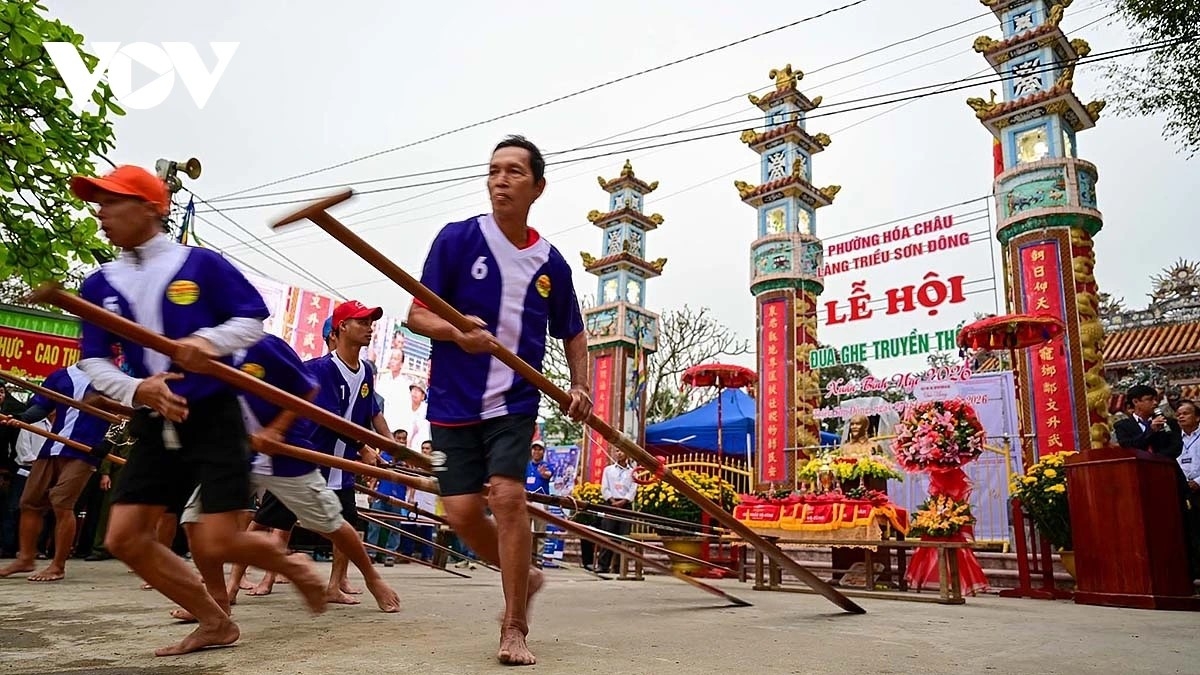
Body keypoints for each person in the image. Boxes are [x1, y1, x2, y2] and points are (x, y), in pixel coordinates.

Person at [70, 164, 326, 656]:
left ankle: (289, 562)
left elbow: (252, 318)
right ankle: (215, 622)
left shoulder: (202, 265)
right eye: (98, 203)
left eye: (111, 202)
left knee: (216, 542)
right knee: (124, 537)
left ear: (151, 207)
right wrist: (136, 389)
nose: (101, 214)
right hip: (155, 417)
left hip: (213, 415)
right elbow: (94, 358)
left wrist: (206, 342)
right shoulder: (99, 283)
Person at [407, 135, 591, 666]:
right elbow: (417, 314)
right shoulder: (457, 240)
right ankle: (525, 575)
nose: (500, 180)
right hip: (449, 404)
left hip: (513, 402)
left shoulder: (551, 263)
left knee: (508, 498)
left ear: (537, 186)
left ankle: (514, 627)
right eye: (493, 171)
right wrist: (457, 333)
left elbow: (573, 333)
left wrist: (579, 386)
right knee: (462, 512)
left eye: (513, 172)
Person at [184, 334, 400, 615]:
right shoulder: (196, 346)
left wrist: (276, 430)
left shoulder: (265, 345)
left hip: (286, 454)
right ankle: (217, 603)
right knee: (195, 521)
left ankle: (373, 578)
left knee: (333, 522)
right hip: (235, 452)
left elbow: (307, 390)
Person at [305, 299, 388, 604]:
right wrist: (363, 447)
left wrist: (380, 449)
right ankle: (233, 584)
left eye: (370, 323)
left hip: (342, 466)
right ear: (341, 328)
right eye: (362, 322)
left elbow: (366, 415)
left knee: (348, 527)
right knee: (270, 521)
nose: (369, 328)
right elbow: (331, 418)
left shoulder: (366, 371)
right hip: (313, 458)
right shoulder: (323, 368)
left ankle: (334, 585)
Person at [0, 365, 110, 582]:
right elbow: (41, 407)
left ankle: (58, 565)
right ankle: (26, 558)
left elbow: (123, 415)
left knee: (62, 503)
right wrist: (19, 417)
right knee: (29, 501)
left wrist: (107, 443)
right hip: (53, 446)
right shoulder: (61, 376)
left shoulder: (115, 377)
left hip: (85, 450)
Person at [597, 450, 635, 574]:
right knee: (608, 535)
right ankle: (603, 565)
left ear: (627, 454)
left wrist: (623, 501)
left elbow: (633, 490)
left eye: (621, 451)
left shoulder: (633, 472)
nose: (619, 453)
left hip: (625, 505)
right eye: (617, 451)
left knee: (623, 537)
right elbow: (604, 487)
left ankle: (620, 567)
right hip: (611, 504)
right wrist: (612, 501)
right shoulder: (608, 470)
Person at [525, 441, 552, 567]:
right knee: (526, 531)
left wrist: (543, 474)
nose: (536, 452)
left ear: (543, 452)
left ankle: (539, 559)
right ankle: (527, 559)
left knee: (540, 531)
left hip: (541, 501)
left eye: (539, 449)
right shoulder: (526, 466)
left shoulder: (546, 465)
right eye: (534, 449)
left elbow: (548, 475)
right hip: (527, 501)